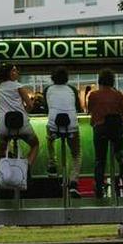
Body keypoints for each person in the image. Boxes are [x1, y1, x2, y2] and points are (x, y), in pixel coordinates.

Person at [86, 68, 123, 199]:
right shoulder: (118, 95)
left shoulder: (93, 95)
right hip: (117, 128)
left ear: (100, 81)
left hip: (100, 128)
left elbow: (90, 110)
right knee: (119, 151)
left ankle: (99, 188)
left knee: (100, 160)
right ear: (112, 81)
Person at [44, 66, 83, 196]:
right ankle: (73, 182)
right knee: (76, 154)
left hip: (54, 126)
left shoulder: (47, 89)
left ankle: (52, 164)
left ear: (53, 78)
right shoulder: (72, 89)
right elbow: (78, 108)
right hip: (71, 126)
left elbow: (47, 107)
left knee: (49, 137)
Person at [0, 64, 40, 168]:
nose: (17, 72)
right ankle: (26, 168)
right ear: (10, 73)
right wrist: (25, 112)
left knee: (3, 151)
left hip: (3, 128)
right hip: (22, 126)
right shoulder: (18, 86)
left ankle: (5, 173)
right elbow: (30, 105)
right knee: (35, 145)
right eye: (14, 70)